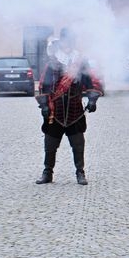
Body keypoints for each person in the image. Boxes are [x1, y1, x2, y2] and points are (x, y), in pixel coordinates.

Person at [35, 28, 104, 186]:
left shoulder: (80, 62)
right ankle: (47, 173)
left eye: (71, 40)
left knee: (78, 144)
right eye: (66, 40)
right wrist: (45, 105)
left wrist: (92, 100)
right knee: (50, 144)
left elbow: (91, 83)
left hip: (75, 109)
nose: (68, 44)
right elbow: (43, 86)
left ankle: (80, 173)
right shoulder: (52, 62)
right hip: (55, 110)